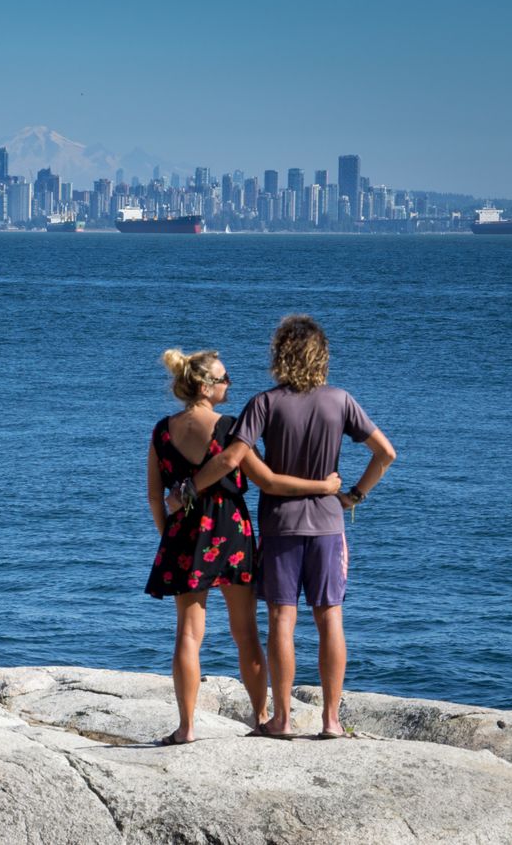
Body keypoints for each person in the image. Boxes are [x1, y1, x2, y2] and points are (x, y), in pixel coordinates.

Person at [190, 315, 396, 739]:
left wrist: (186, 490)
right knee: (330, 617)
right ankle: (332, 721)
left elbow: (234, 459)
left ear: (280, 356)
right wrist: (354, 494)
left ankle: (281, 719)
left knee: (282, 618)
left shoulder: (264, 403)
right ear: (321, 356)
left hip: (280, 526)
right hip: (328, 525)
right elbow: (385, 453)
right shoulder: (340, 401)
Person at [146, 348, 341, 746]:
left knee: (187, 633)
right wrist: (325, 488)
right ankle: (262, 716)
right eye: (223, 378)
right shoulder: (230, 429)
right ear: (204, 386)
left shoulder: (162, 431)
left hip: (183, 530)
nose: (229, 384)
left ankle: (186, 728)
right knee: (246, 630)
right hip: (228, 531)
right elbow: (269, 481)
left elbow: (154, 496)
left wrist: (170, 532)